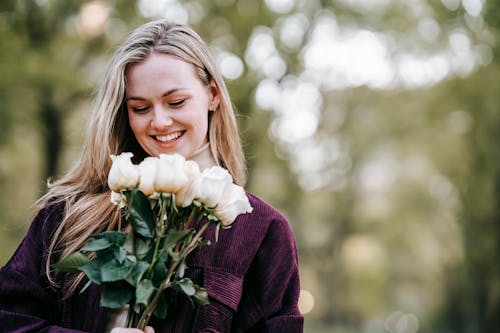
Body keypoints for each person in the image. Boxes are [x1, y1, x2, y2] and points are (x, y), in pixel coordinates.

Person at [0, 19, 303, 332]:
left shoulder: (263, 231)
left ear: (212, 94)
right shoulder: (69, 215)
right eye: (140, 108)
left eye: (176, 102)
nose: (159, 121)